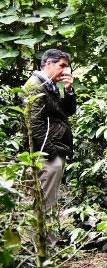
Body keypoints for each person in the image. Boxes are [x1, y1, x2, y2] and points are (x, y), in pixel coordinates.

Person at [23, 48, 76, 212]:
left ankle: (45, 230)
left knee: (48, 201)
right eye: (62, 66)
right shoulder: (35, 86)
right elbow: (34, 125)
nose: (65, 71)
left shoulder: (49, 85)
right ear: (49, 63)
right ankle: (42, 230)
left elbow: (66, 112)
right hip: (46, 154)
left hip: (53, 150)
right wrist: (52, 154)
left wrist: (68, 90)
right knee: (45, 204)